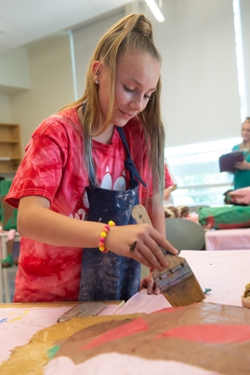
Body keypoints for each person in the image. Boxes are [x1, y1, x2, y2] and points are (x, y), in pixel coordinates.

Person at [5, 13, 177, 303]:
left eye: (147, 95)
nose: (138, 105)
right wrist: (107, 236)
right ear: (98, 72)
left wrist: (160, 267)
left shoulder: (138, 137)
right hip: (50, 302)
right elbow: (29, 218)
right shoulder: (57, 134)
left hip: (116, 297)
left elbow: (153, 203)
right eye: (130, 89)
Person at [232, 117, 250, 190]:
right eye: (243, 129)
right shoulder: (235, 148)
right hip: (238, 187)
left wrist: (247, 166)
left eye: (248, 130)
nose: (245, 133)